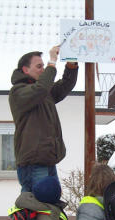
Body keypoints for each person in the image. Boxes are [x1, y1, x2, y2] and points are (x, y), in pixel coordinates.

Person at [9, 46, 79, 192]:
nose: (43, 69)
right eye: (39, 66)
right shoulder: (18, 92)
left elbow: (65, 85)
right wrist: (52, 62)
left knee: (47, 206)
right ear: (25, 70)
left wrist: (71, 63)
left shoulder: (43, 91)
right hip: (34, 163)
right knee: (37, 207)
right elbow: (41, 89)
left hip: (47, 160)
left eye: (43, 66)